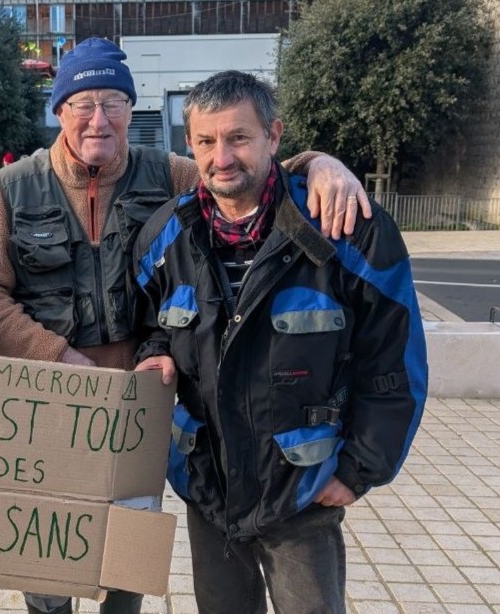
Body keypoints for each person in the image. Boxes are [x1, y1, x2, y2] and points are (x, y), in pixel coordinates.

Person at [0, 38, 370, 614]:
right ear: (59, 111)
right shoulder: (17, 186)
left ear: (132, 109)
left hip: (139, 406)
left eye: (113, 103)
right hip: (46, 404)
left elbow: (239, 169)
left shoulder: (171, 174)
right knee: (50, 568)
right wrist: (54, 355)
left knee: (125, 560)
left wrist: (320, 163)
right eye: (81, 103)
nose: (97, 119)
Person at [132, 70, 428, 614]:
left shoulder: (346, 230)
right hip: (208, 489)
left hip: (303, 493)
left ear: (274, 136)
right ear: (188, 144)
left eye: (238, 137)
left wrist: (358, 469)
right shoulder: (163, 236)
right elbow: (149, 322)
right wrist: (152, 352)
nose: (221, 156)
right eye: (205, 141)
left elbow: (394, 361)